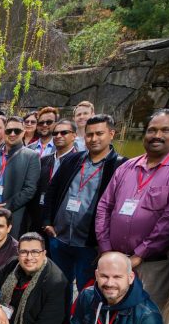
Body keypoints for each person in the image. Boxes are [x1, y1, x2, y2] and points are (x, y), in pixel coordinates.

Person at [96, 108, 169, 324]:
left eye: (165, 130)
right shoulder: (128, 166)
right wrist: (106, 249)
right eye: (152, 130)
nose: (157, 135)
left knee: (146, 320)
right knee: (112, 316)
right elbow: (104, 206)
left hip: (153, 264)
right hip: (115, 258)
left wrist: (140, 254)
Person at [42, 114, 126, 292]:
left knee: (87, 290)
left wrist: (105, 243)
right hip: (60, 237)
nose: (93, 139)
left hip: (90, 244)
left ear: (111, 134)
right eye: (89, 134)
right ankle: (61, 319)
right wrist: (47, 221)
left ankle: (82, 320)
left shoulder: (121, 166)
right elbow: (52, 190)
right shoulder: (73, 159)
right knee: (57, 287)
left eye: (99, 134)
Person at [0, 116, 39, 240]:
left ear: (23, 132)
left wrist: (4, 209)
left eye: (17, 131)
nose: (12, 134)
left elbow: (29, 189)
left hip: (13, 215)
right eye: (9, 131)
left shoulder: (32, 156)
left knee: (9, 255)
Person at [25, 118, 79, 238]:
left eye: (64, 132)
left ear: (74, 135)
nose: (58, 136)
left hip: (62, 224)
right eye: (55, 133)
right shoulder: (44, 160)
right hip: (38, 218)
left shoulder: (79, 162)